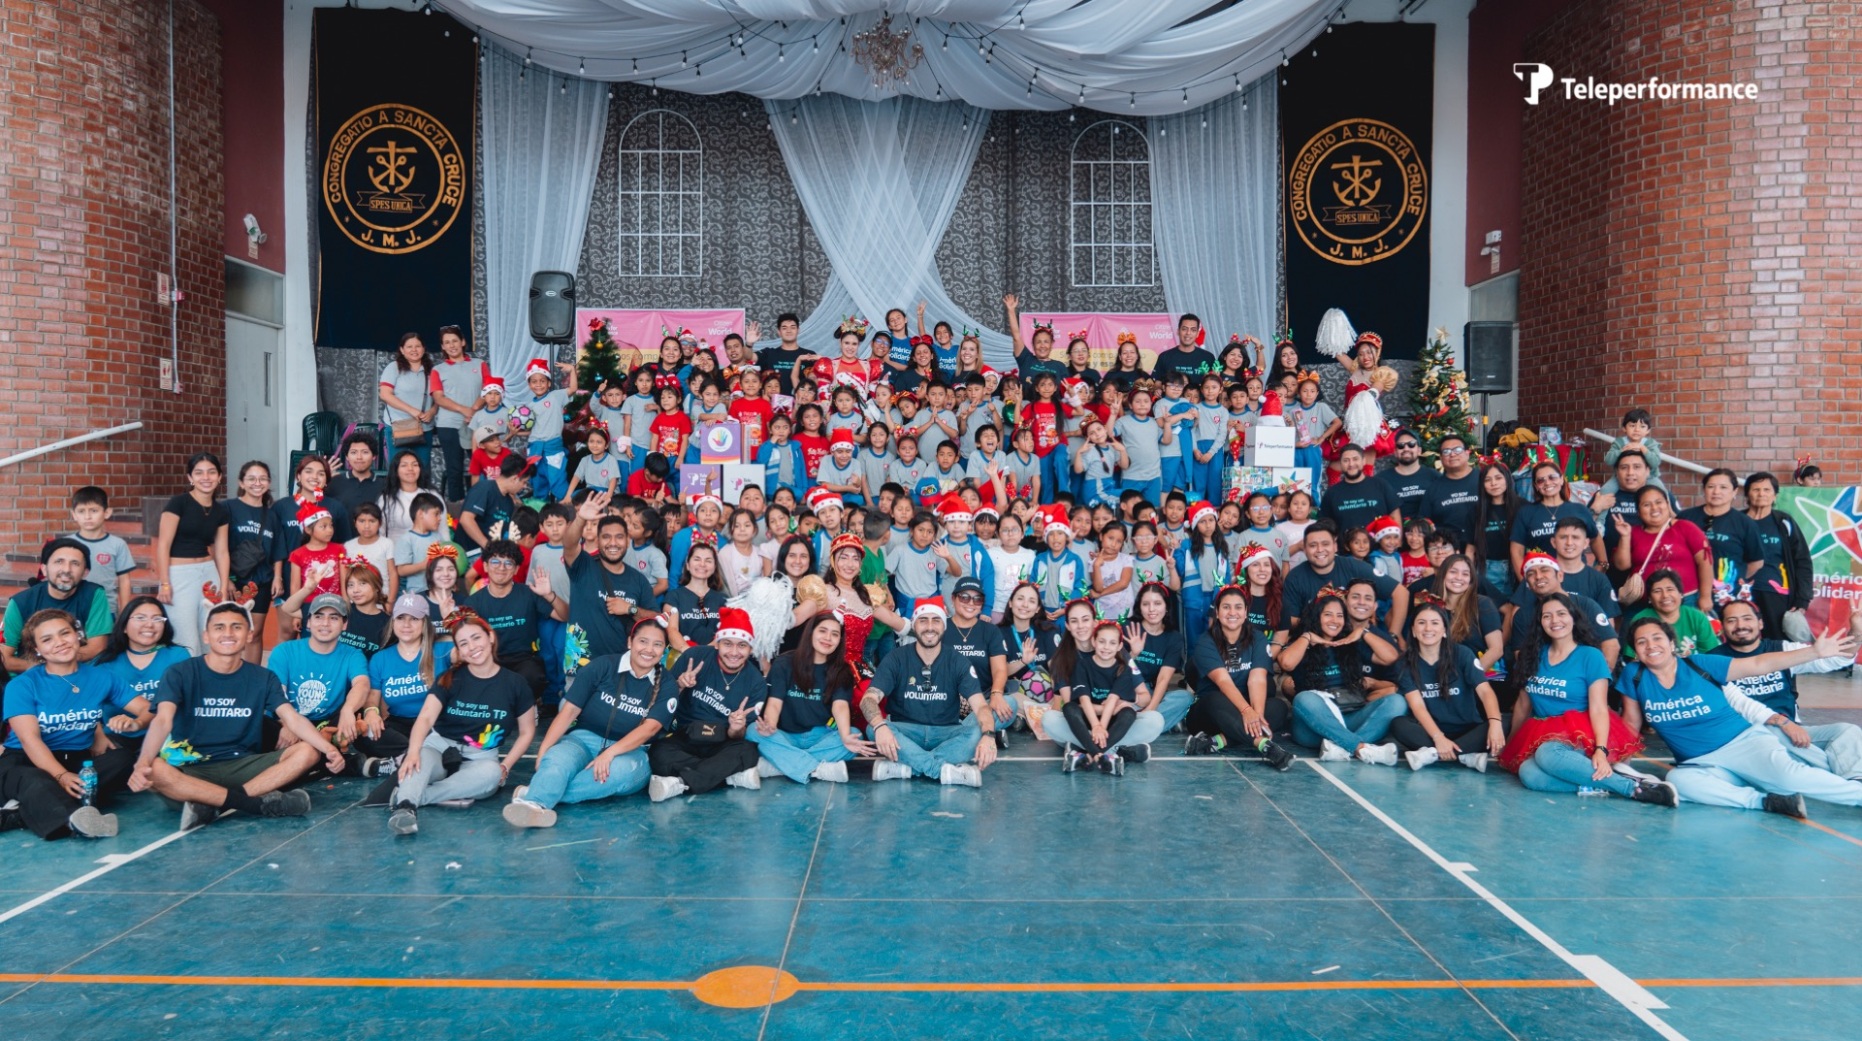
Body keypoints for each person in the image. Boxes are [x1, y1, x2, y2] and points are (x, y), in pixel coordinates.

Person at [1619, 616, 1862, 818]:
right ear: (1636, 651)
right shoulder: (1634, 675)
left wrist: (1814, 652)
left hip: (1745, 745)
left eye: (1657, 638)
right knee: (1679, 781)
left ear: (1671, 643)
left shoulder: (1699, 664)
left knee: (1790, 778)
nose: (1650, 645)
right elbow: (1631, 724)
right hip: (1701, 763)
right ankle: (1764, 802)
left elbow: (1757, 664)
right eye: (1642, 642)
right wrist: (1622, 766)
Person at [130, 603, 339, 831]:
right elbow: (162, 720)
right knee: (155, 769)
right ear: (206, 636)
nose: (228, 633)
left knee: (308, 751)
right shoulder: (180, 673)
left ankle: (213, 805)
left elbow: (293, 719)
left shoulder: (263, 677)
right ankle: (253, 804)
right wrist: (142, 762)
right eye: (219, 627)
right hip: (191, 770)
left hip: (242, 766)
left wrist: (328, 750)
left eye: (236, 627)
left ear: (249, 635)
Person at [1499, 593, 1672, 805]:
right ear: (1540, 622)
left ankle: (1635, 789)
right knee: (1529, 774)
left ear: (1573, 617)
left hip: (1582, 731)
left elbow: (1599, 708)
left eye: (1561, 613)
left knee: (1547, 753)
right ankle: (1605, 783)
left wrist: (1601, 750)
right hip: (1543, 730)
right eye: (1547, 616)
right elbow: (1523, 704)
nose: (1554, 620)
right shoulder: (1533, 655)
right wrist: (1511, 742)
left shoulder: (1590, 656)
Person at [506, 620, 675, 828]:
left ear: (664, 650)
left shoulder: (667, 684)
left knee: (619, 774)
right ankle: (535, 805)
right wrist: (544, 749)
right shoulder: (603, 666)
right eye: (643, 641)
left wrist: (610, 753)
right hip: (582, 741)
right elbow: (569, 711)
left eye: (657, 644)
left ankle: (535, 795)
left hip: (628, 753)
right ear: (630, 642)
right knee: (557, 760)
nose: (649, 649)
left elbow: (650, 728)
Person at [387, 611, 537, 835]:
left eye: (476, 638)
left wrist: (506, 766)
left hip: (481, 758)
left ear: (490, 637)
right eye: (464, 643)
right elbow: (425, 718)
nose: (472, 647)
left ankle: (414, 796)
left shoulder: (515, 683)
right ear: (458, 650)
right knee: (418, 761)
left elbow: (527, 731)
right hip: (440, 748)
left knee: (492, 775)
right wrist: (413, 752)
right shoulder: (449, 678)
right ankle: (405, 809)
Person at [0, 610, 147, 839]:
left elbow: (148, 709)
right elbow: (30, 740)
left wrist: (136, 723)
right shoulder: (22, 685)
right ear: (37, 649)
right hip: (24, 760)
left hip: (75, 757)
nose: (59, 642)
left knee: (122, 759)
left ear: (78, 635)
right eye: (47, 639)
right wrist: (61, 775)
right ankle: (76, 821)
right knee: (37, 780)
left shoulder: (102, 677)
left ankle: (25, 812)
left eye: (65, 633)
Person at [862, 597, 995, 787]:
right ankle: (940, 770)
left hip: (946, 733)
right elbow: (868, 699)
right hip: (906, 733)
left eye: (936, 620)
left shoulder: (958, 661)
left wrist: (989, 736)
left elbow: (981, 706)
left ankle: (908, 767)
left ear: (944, 626)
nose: (930, 627)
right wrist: (880, 727)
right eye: (923, 620)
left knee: (977, 732)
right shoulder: (896, 658)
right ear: (914, 625)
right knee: (873, 728)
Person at [646, 606, 766, 801]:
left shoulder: (756, 682)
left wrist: (737, 727)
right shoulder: (694, 657)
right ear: (717, 643)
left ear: (750, 649)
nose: (734, 652)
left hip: (723, 742)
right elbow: (660, 702)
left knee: (747, 751)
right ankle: (726, 776)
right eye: (728, 644)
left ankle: (680, 783)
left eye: (742, 645)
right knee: (658, 752)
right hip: (684, 736)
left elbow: (737, 737)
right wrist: (679, 686)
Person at [1277, 589, 1405, 764]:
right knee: (1304, 698)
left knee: (1397, 702)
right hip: (1314, 728)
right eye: (1328, 615)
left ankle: (1345, 746)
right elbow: (1286, 663)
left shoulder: (1350, 644)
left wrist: (1363, 632)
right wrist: (1308, 636)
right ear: (1316, 617)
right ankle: (1360, 747)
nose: (1334, 620)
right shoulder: (1302, 644)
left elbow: (1391, 657)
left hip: (1350, 718)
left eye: (1339, 616)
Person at [1182, 586, 1297, 769]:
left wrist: (1257, 714)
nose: (1232, 612)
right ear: (1217, 613)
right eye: (1226, 607)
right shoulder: (1206, 642)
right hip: (1211, 713)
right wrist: (1246, 711)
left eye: (1238, 607)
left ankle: (1215, 742)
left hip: (1243, 712)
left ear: (1245, 613)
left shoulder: (1257, 638)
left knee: (1278, 707)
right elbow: (1223, 681)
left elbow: (1257, 679)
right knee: (1215, 699)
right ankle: (1264, 745)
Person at [751, 614, 872, 784]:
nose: (828, 638)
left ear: (840, 640)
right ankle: (816, 769)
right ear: (810, 633)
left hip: (821, 736)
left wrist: (845, 735)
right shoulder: (784, 663)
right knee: (753, 731)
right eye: (822, 631)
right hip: (785, 735)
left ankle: (782, 765)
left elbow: (840, 706)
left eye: (835, 634)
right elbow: (775, 703)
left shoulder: (842, 670)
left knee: (854, 736)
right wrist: (769, 726)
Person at [1389, 604, 1506, 771]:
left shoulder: (1462, 653)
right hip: (1431, 732)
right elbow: (1418, 706)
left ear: (1444, 630)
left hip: (1468, 730)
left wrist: (1494, 723)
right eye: (1421, 622)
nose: (1428, 628)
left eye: (1435, 623)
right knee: (1398, 724)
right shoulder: (1404, 663)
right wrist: (1438, 737)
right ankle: (1465, 755)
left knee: (1504, 721)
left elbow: (1485, 691)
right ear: (1413, 631)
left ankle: (1432, 754)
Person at [265, 593, 371, 765]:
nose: (325, 623)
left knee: (361, 719)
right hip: (284, 721)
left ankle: (315, 759)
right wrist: (288, 723)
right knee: (257, 726)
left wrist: (348, 710)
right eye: (319, 616)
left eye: (333, 618)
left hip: (325, 724)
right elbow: (276, 695)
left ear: (344, 624)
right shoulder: (284, 651)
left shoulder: (352, 654)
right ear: (308, 622)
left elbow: (362, 684)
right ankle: (344, 764)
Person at [357, 595, 451, 776]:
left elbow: (475, 645)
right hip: (399, 726)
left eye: (414, 618)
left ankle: (398, 762)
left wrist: (452, 620)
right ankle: (421, 756)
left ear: (424, 623)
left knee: (446, 739)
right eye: (400, 618)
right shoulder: (380, 658)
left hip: (435, 724)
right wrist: (371, 712)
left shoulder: (442, 651)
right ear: (393, 622)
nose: (406, 624)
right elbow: (372, 698)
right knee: (365, 734)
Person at [462, 539, 567, 700]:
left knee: (532, 677)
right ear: (485, 566)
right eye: (495, 561)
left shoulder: (529, 593)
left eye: (508, 563)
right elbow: (460, 638)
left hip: (525, 661)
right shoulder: (473, 602)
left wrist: (549, 595)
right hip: (489, 660)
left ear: (516, 569)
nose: (501, 568)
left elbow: (564, 616)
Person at [155, 452, 231, 655]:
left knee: (210, 632)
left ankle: (208, 674)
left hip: (209, 574)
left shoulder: (221, 510)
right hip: (179, 575)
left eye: (211, 472)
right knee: (184, 637)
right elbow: (163, 545)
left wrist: (223, 587)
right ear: (190, 477)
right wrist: (164, 582)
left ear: (219, 476)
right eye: (199, 473)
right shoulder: (178, 503)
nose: (206, 477)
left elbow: (222, 552)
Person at [94, 596, 190, 752]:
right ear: (124, 626)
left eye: (157, 619)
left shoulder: (178, 656)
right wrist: (98, 735)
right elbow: (88, 706)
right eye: (140, 618)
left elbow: (189, 701)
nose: (149, 624)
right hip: (118, 737)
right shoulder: (105, 663)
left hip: (168, 736)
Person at [2, 538, 111, 674]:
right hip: (33, 676)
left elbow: (97, 647)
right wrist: (49, 666)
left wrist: (58, 662)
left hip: (78, 673)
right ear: (44, 569)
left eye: (75, 563)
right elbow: (4, 658)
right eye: (59, 562)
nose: (66, 569)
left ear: (85, 572)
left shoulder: (93, 594)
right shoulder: (20, 603)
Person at [1282, 519, 1406, 637]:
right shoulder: (1295, 577)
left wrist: (1394, 634)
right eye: (1313, 545)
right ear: (1304, 549)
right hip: (1314, 640)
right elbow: (1290, 620)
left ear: (1335, 546)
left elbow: (1401, 593)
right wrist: (1318, 621)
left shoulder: (1354, 566)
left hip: (1356, 637)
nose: (1320, 550)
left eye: (1325, 544)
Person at [1609, 485, 1715, 618]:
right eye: (1646, 505)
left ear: (1667, 504)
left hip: (1686, 601)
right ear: (1638, 511)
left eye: (1658, 502)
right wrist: (1625, 536)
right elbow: (1622, 566)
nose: (1654, 508)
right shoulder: (1633, 533)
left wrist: (1705, 596)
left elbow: (1705, 562)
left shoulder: (1686, 527)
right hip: (1644, 605)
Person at [1742, 471, 1816, 642]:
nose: (1761, 494)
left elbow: (1802, 561)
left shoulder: (1784, 522)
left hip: (1776, 594)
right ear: (1747, 495)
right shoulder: (1736, 520)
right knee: (1742, 638)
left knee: (1776, 643)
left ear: (1775, 495)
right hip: (1740, 592)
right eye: (1756, 489)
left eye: (1767, 490)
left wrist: (1803, 598)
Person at [1678, 468, 1765, 600]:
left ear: (1734, 491)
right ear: (1704, 490)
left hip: (1726, 595)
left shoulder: (1745, 523)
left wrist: (1733, 578)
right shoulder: (1685, 518)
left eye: (1723, 487)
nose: (1716, 492)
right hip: (1688, 592)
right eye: (1711, 487)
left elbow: (1756, 562)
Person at [428, 324, 491, 502]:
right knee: (454, 468)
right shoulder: (438, 370)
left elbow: (488, 390)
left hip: (476, 424)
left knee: (480, 466)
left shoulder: (479, 364)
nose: (452, 345)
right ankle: (457, 506)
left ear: (463, 342)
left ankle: (478, 502)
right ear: (443, 346)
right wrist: (464, 410)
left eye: (455, 341)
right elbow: (439, 398)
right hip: (449, 425)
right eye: (447, 342)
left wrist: (474, 409)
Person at [225, 461, 278, 661]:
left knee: (254, 634)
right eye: (252, 479)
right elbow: (217, 547)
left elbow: (278, 551)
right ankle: (229, 672)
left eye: (263, 478)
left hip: (261, 582)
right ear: (241, 482)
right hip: (233, 582)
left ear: (269, 483)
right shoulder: (228, 508)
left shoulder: (271, 515)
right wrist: (225, 579)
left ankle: (252, 675)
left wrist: (277, 577)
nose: (257, 483)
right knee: (231, 632)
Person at [67, 485, 133, 618]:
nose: (87, 516)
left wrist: (125, 613)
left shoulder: (117, 544)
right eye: (81, 511)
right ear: (74, 514)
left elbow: (124, 581)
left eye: (94, 510)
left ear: (107, 512)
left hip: (106, 609)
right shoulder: (66, 544)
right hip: (73, 608)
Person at [379, 332, 439, 473]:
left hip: (423, 428)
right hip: (398, 426)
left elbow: (439, 398)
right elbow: (385, 394)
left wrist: (432, 411)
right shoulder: (393, 367)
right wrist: (412, 411)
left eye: (418, 346)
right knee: (398, 469)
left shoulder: (432, 371)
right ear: (402, 350)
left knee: (422, 469)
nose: (414, 350)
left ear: (424, 348)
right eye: (409, 346)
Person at [326, 432, 386, 519]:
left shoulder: (384, 485)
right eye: (353, 452)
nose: (359, 457)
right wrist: (323, 479)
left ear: (374, 456)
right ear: (347, 457)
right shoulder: (334, 482)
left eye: (365, 452)